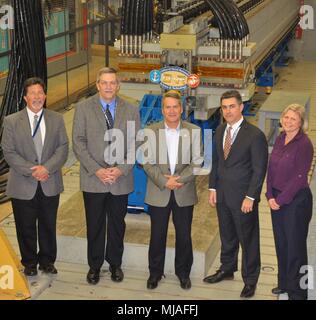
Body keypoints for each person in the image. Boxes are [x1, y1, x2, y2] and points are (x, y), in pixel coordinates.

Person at [72, 67, 140, 285]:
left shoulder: (131, 109)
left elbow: (136, 142)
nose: (109, 86)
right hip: (94, 179)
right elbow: (79, 143)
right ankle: (94, 266)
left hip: (120, 179)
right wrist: (98, 170)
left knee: (117, 224)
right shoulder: (83, 108)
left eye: (112, 83)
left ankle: (115, 264)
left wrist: (120, 168)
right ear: (97, 84)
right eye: (104, 83)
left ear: (118, 85)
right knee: (95, 224)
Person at [1, 77, 69, 276]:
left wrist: (46, 168)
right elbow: (9, 152)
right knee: (25, 225)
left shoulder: (56, 119)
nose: (37, 97)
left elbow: (63, 148)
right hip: (23, 182)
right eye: (33, 93)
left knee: (48, 223)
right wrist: (33, 170)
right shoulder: (12, 121)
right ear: (25, 97)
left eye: (40, 93)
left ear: (45, 96)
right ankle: (29, 263)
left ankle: (47, 261)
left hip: (50, 180)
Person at [204, 90, 268, 298]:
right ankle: (227, 268)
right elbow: (216, 162)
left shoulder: (255, 135)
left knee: (248, 239)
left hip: (243, 199)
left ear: (241, 107)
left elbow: (259, 170)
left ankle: (250, 280)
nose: (228, 111)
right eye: (224, 107)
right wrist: (212, 188)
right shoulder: (221, 130)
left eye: (232, 106)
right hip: (222, 195)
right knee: (227, 234)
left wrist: (251, 197)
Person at [142, 90, 203, 290]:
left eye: (175, 106)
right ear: (162, 110)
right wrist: (163, 181)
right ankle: (155, 273)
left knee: (184, 235)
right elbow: (147, 163)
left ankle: (183, 273)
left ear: (182, 108)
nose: (172, 110)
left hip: (183, 191)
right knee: (157, 235)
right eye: (167, 107)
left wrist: (179, 179)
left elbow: (197, 162)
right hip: (159, 191)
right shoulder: (150, 131)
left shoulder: (194, 131)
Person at [266, 104, 313, 300]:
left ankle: (299, 292)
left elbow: (300, 177)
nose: (288, 121)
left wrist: (280, 200)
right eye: (286, 117)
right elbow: (271, 169)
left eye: (293, 119)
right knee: (281, 243)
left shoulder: (304, 144)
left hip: (295, 202)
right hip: (276, 199)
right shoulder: (279, 138)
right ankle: (284, 283)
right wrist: (269, 196)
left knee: (296, 247)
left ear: (301, 123)